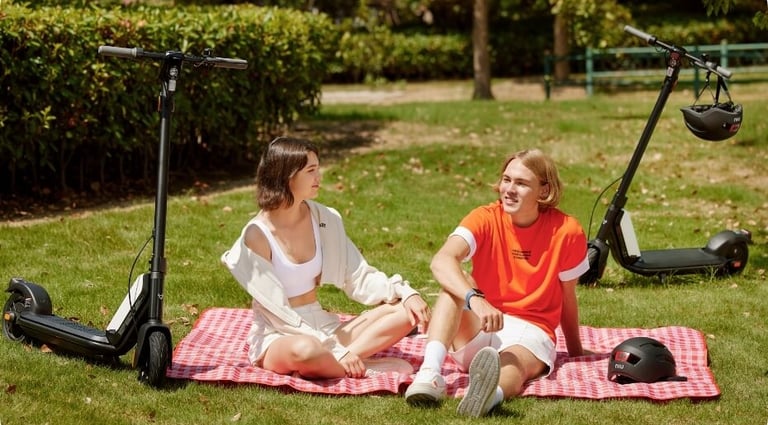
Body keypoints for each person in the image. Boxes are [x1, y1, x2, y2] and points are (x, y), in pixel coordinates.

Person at [222, 136, 430, 379]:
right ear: (287, 175)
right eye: (311, 171)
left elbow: (359, 276)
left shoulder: (324, 218)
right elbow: (277, 311)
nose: (319, 177)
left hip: (324, 325)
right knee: (306, 350)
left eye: (318, 169)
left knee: (407, 312)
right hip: (280, 332)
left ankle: (340, 365)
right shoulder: (257, 235)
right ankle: (356, 365)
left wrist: (406, 293)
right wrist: (336, 349)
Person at [404, 148, 590, 417]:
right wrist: (475, 300)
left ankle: (488, 395)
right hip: (482, 321)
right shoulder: (485, 217)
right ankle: (429, 375)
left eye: (522, 183)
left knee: (513, 363)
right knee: (455, 284)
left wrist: (575, 352)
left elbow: (567, 296)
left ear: (543, 190)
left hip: (531, 331)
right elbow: (441, 260)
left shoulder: (567, 231)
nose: (509, 189)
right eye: (506, 179)